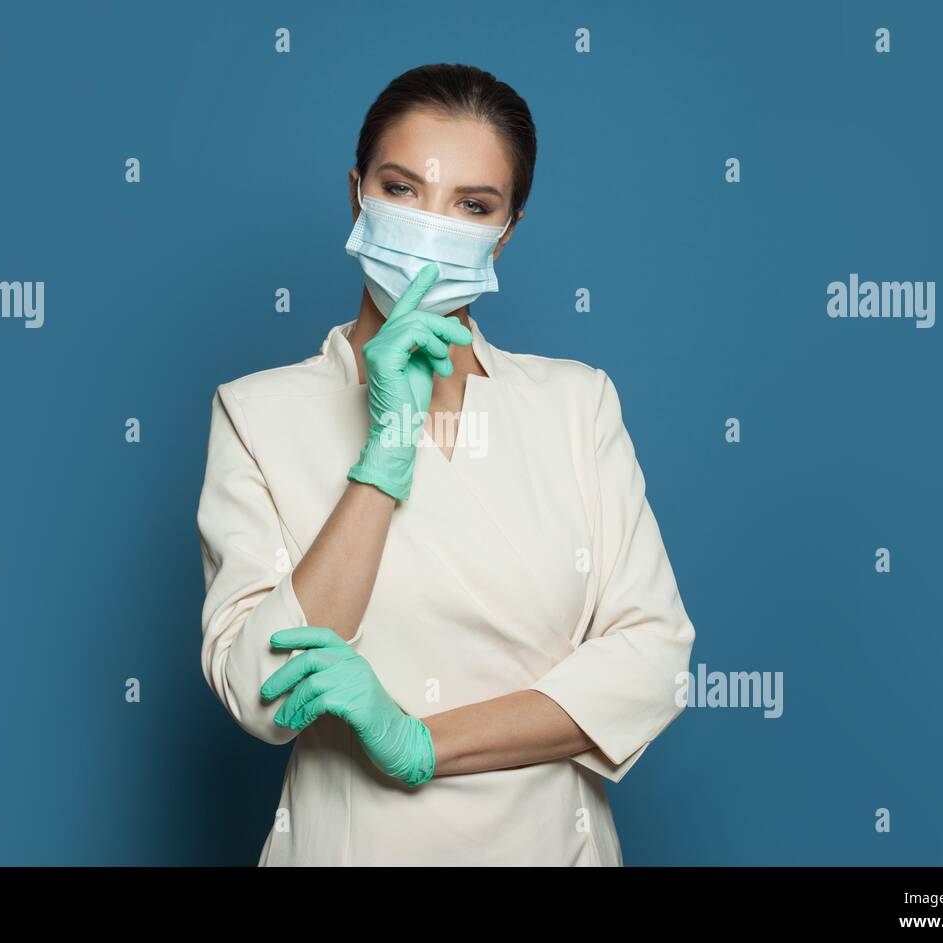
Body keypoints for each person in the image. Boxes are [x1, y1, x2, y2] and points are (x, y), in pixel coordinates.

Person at [197, 63, 697, 865]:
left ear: (507, 230)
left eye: (472, 205)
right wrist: (385, 453)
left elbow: (653, 660)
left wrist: (420, 741)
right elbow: (264, 690)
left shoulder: (575, 404)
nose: (433, 227)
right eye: (402, 188)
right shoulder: (259, 413)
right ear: (356, 193)